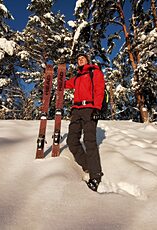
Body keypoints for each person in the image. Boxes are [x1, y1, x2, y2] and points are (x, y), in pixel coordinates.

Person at [65, 53, 105, 192]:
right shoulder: (77, 77)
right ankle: (87, 164)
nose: (80, 60)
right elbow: (64, 84)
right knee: (71, 141)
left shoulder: (95, 72)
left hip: (89, 109)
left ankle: (96, 176)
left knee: (90, 142)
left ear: (87, 60)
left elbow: (100, 90)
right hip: (76, 110)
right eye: (78, 59)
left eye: (82, 58)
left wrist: (97, 109)